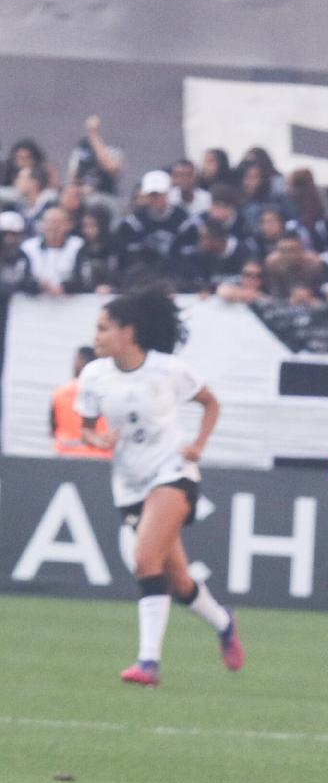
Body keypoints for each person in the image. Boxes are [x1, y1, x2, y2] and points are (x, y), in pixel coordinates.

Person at [75, 289, 244, 685]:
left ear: (128, 332)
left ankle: (148, 662)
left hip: (173, 473)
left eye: (103, 328)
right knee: (179, 581)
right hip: (129, 483)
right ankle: (223, 623)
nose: (96, 336)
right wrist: (94, 439)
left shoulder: (168, 370)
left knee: (144, 558)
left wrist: (199, 445)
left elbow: (210, 402)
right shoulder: (94, 375)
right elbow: (85, 426)